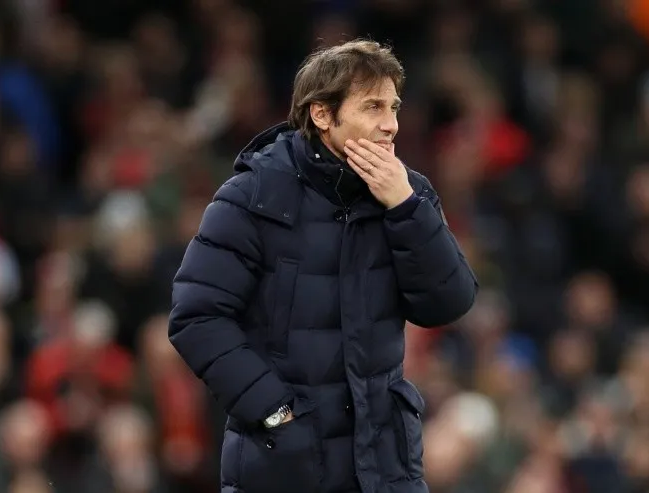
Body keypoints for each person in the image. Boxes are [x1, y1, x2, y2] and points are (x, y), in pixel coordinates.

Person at [168, 39, 478, 493]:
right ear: (322, 115)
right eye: (373, 107)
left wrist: (407, 210)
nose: (391, 124)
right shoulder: (252, 195)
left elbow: (449, 303)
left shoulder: (406, 193)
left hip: (385, 467)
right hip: (284, 466)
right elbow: (196, 317)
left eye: (393, 107)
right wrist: (275, 412)